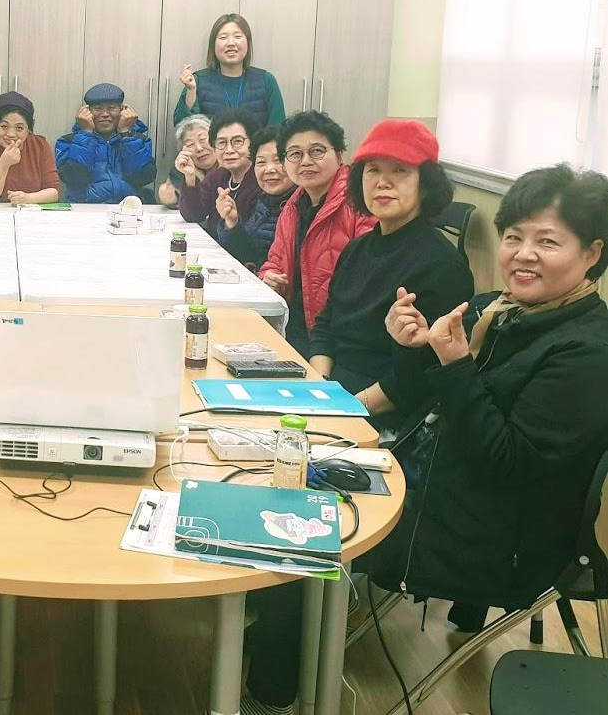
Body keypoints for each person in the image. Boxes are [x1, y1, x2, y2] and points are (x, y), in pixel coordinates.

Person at [242, 164, 608, 714]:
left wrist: (454, 364)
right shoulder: (496, 310)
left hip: (500, 537)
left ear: (592, 253)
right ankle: (273, 631)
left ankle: (271, 696)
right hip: (434, 476)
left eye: (548, 242)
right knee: (283, 469)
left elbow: (506, 463)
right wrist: (412, 347)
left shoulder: (587, 352)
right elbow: (429, 399)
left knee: (301, 523)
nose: (523, 254)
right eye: (514, 237)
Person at [308, 120, 474, 430]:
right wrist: (318, 385)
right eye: (373, 170)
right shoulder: (356, 249)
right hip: (331, 394)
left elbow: (420, 377)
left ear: (426, 183)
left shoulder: (442, 265)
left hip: (382, 418)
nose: (383, 182)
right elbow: (326, 325)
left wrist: (345, 409)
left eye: (399, 170)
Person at [258, 111, 376, 357]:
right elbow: (276, 260)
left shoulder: (360, 203)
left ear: (339, 155)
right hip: (297, 325)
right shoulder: (293, 206)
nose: (305, 161)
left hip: (340, 337)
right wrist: (268, 276)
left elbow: (369, 276)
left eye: (317, 151)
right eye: (295, 154)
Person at [172, 13, 285, 130]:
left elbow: (277, 129)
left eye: (237, 36)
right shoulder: (197, 81)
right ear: (213, 45)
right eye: (223, 37)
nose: (231, 43)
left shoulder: (266, 80)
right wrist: (191, 91)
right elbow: (183, 128)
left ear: (248, 42)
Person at [54, 83, 155, 204]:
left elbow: (143, 178)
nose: (105, 114)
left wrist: (126, 134)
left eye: (112, 108)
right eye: (98, 108)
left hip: (127, 208)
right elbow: (75, 178)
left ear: (122, 111)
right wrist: (86, 133)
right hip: (84, 208)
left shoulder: (139, 140)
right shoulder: (68, 141)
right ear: (87, 112)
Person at [216, 126, 296, 269]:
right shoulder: (263, 201)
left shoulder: (302, 205)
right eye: (261, 162)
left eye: (278, 160)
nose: (269, 169)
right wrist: (232, 222)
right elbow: (246, 254)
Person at [174, 109, 262, 239]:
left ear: (252, 143)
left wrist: (232, 221)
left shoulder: (261, 179)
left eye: (237, 141)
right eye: (222, 143)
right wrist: (190, 177)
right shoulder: (219, 176)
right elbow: (193, 215)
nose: (229, 150)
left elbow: (255, 239)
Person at [0, 91, 60, 205]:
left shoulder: (40, 145)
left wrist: (28, 199)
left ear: (28, 129)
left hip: (31, 211)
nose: (11, 134)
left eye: (19, 128)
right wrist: (4, 164)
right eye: (4, 126)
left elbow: (53, 192)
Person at [156, 114, 216, 209]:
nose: (199, 148)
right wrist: (173, 197)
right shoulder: (180, 171)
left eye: (203, 139)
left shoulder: (233, 164)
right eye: (190, 144)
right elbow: (190, 208)